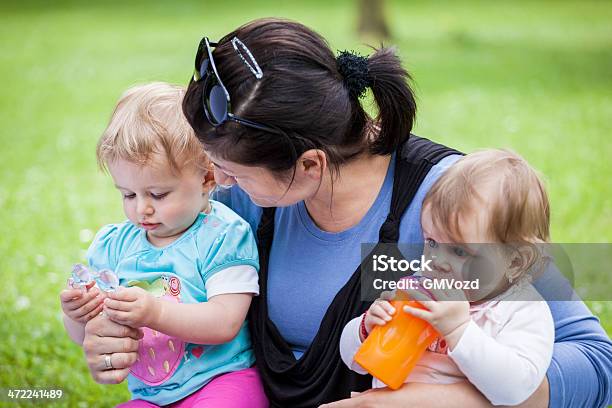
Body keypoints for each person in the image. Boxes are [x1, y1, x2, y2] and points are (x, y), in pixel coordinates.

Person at [81, 19, 612, 408]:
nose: (219, 185)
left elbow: (596, 363)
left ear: (308, 164)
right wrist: (96, 334)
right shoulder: (242, 203)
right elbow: (162, 291)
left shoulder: (449, 207)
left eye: (234, 173)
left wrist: (446, 399)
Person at [60, 82, 268, 407]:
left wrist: (154, 311)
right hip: (150, 396)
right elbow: (90, 336)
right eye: (128, 194)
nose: (141, 208)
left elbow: (225, 321)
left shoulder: (223, 235)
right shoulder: (114, 245)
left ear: (206, 179)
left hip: (222, 383)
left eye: (158, 194)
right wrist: (78, 316)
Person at [340, 149, 555, 406]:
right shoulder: (419, 287)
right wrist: (365, 329)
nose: (436, 261)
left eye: (459, 251)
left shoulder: (522, 311)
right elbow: (354, 362)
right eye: (431, 242)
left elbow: (515, 390)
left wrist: (459, 331)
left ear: (515, 261)